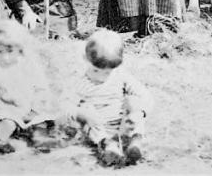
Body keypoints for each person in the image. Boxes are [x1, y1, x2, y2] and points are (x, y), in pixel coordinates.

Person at [61, 29, 151, 168]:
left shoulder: (121, 76)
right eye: (96, 70)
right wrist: (82, 114)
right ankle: (108, 147)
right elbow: (64, 105)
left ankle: (135, 142)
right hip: (99, 126)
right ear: (85, 59)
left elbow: (145, 95)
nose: (101, 77)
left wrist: (139, 111)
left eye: (107, 72)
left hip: (123, 124)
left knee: (134, 103)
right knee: (86, 109)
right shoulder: (80, 82)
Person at [0, 20, 55, 154]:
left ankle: (40, 141)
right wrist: (1, 103)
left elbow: (41, 89)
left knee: (41, 122)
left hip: (29, 108)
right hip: (6, 109)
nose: (5, 57)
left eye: (10, 51)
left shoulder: (29, 67)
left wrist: (35, 109)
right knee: (7, 121)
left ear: (20, 49)